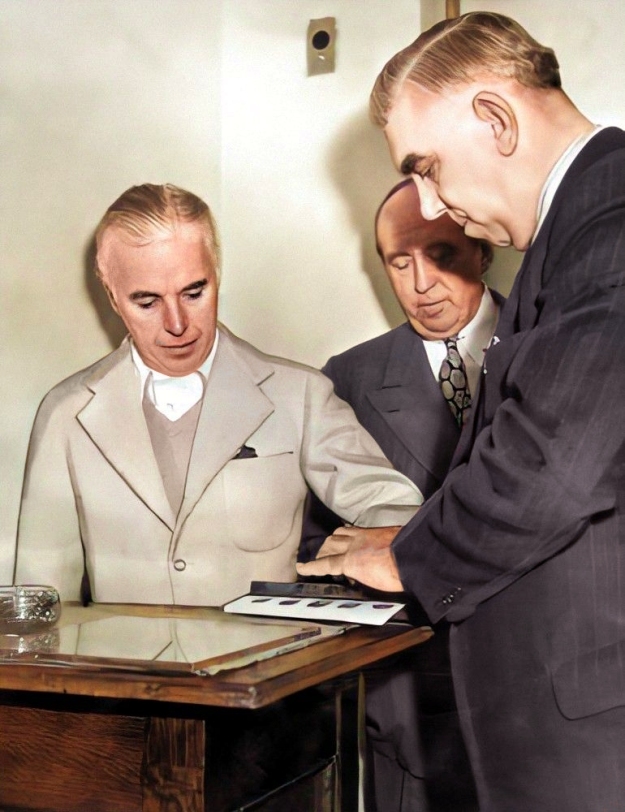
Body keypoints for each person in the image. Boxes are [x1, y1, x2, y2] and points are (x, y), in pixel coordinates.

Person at [298, 11, 625, 811]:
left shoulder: (608, 219)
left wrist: (408, 558)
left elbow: (549, 465)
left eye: (427, 167)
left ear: (495, 119)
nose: (431, 204)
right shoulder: (572, 229)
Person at [14, 182, 423, 608]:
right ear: (111, 294)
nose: (177, 324)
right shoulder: (66, 414)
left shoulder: (299, 396)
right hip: (124, 674)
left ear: (218, 273)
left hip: (268, 672)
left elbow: (400, 514)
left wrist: (353, 572)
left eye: (194, 292)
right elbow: (41, 608)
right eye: (147, 302)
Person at [301, 178, 502, 812]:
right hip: (411, 705)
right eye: (399, 261)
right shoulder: (347, 378)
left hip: (538, 687)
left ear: (483, 248)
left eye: (441, 254)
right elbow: (317, 543)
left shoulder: (557, 345)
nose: (421, 284)